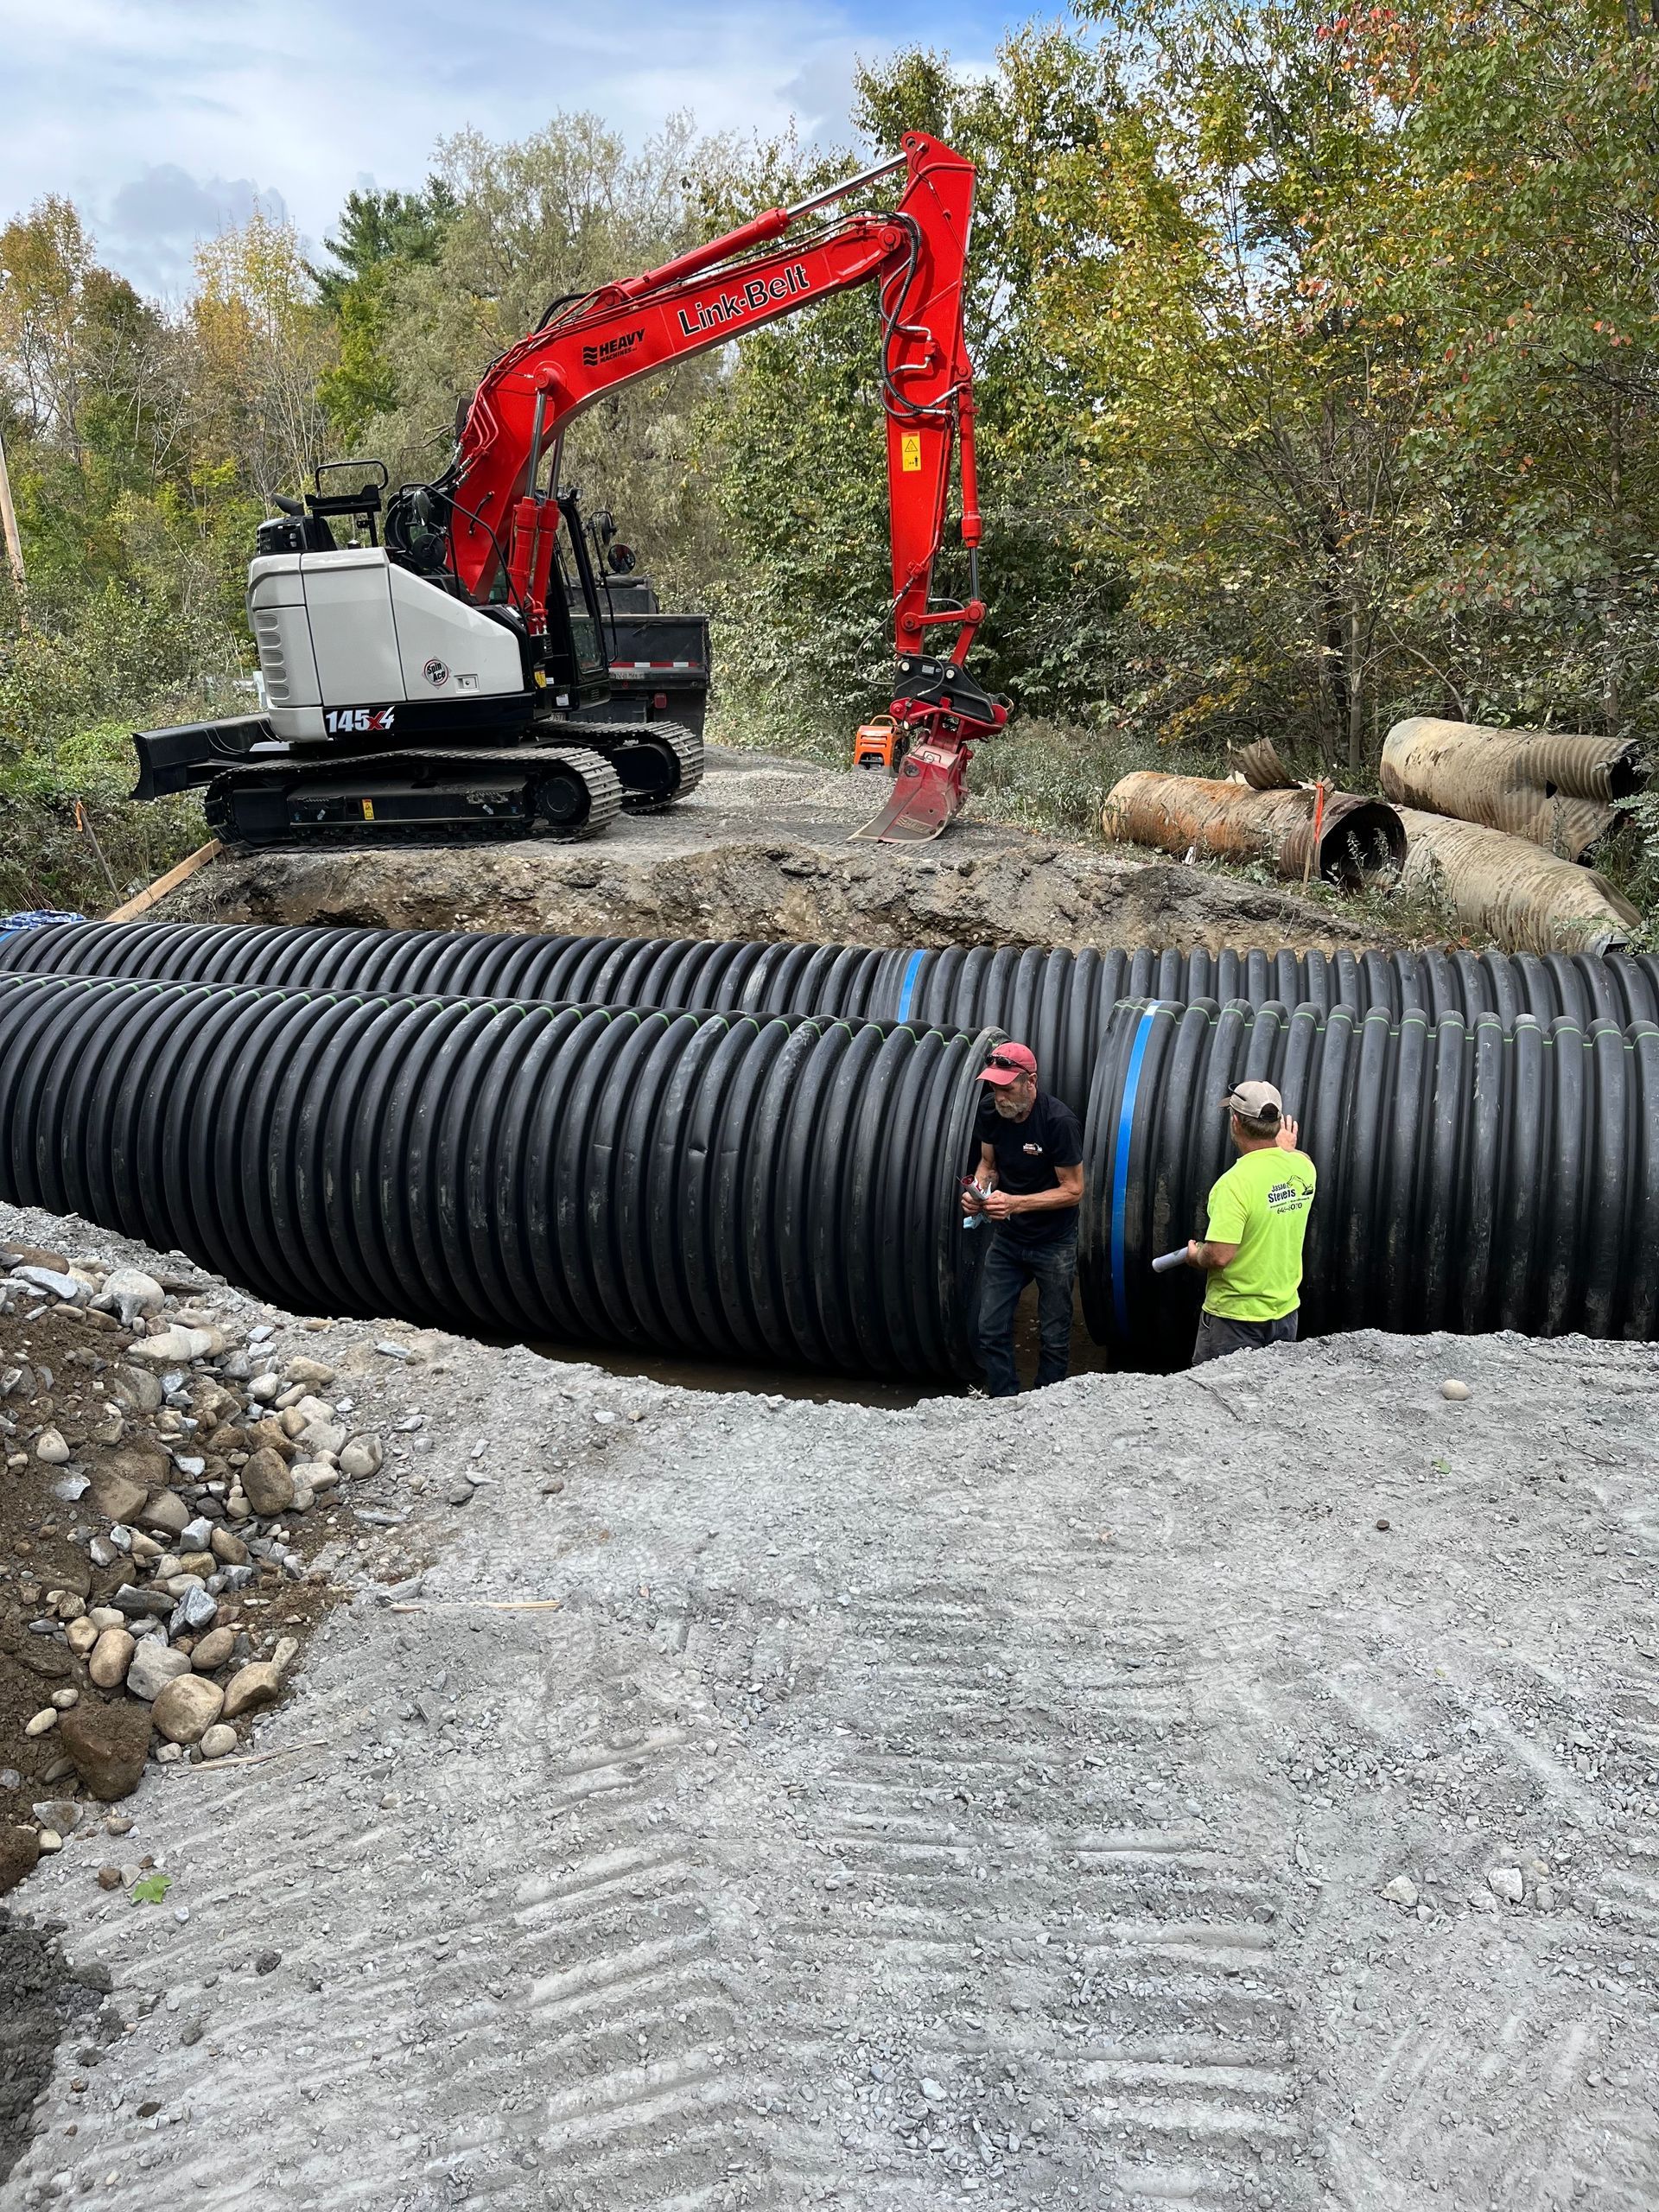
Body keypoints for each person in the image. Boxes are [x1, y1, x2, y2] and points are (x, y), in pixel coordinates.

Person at [961, 1042, 1084, 1396]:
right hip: (1009, 1240)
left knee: (1054, 1333)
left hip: (1054, 1243)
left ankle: (1047, 1405)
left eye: (1007, 1087)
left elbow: (1074, 1190)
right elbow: (988, 1165)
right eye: (993, 1087)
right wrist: (977, 1194)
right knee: (991, 1327)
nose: (999, 1096)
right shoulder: (989, 1112)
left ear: (1030, 1081)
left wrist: (1015, 1203)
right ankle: (1004, 1404)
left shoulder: (1058, 1123)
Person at [1185, 1079, 1316, 1366]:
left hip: (1235, 1320)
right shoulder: (1304, 1168)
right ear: (1278, 1122)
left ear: (1236, 1122)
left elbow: (1219, 1256)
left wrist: (1195, 1256)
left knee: (1215, 1398)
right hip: (1284, 1315)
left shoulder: (1234, 1184)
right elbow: (1301, 1158)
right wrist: (1287, 1150)